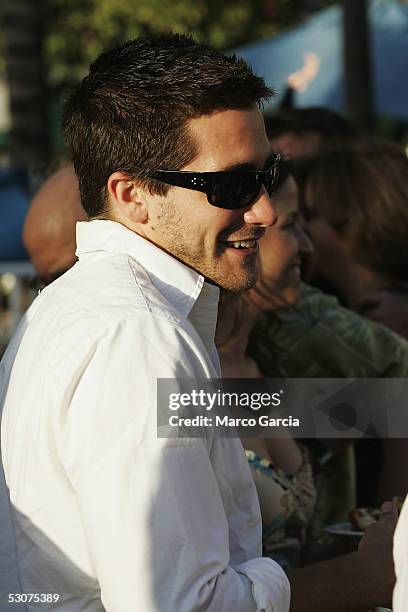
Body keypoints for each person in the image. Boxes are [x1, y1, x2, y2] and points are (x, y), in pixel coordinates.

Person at [0, 34, 291, 612]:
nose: (265, 209)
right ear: (132, 194)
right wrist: (276, 579)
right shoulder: (137, 336)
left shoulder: (89, 310)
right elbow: (181, 604)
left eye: (268, 173)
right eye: (232, 184)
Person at [216, 167, 401, 610]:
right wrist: (364, 571)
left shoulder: (266, 358)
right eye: (293, 224)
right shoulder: (184, 364)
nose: (308, 246)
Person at [298, 138, 408, 503]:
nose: (303, 233)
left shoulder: (387, 325)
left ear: (345, 222)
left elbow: (326, 429)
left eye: (306, 216)